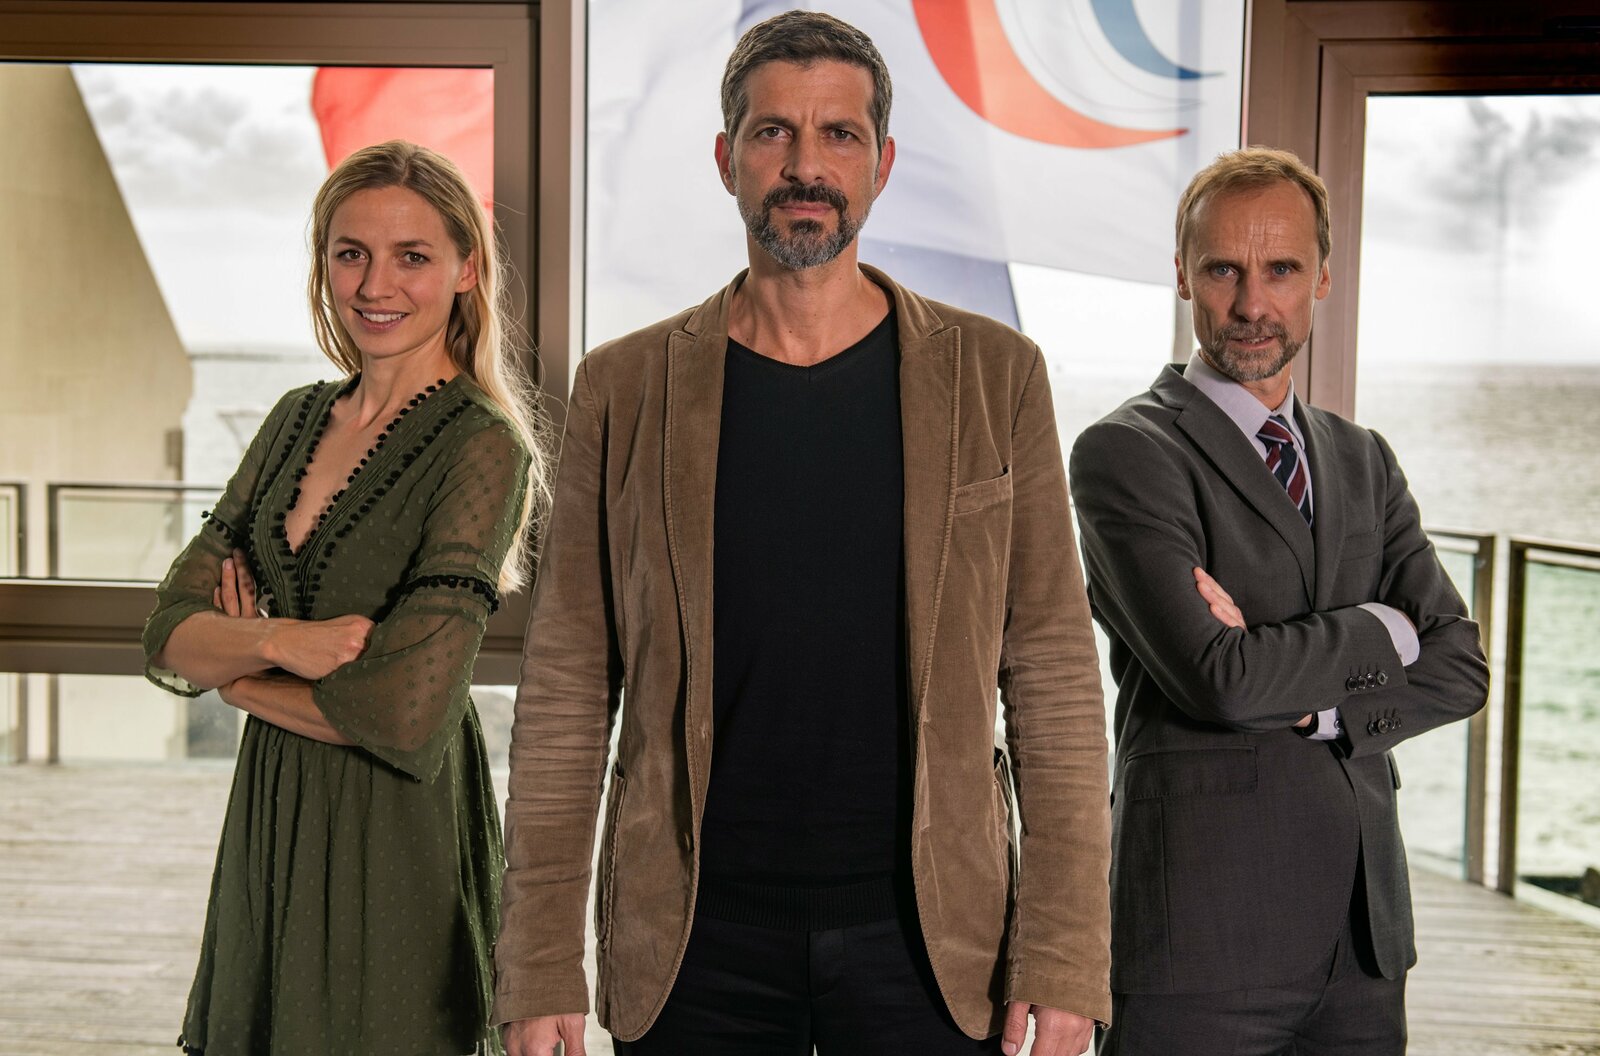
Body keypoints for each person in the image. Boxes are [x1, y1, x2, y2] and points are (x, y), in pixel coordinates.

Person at [494, 11, 1110, 1056]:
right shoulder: (624, 386)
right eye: (774, 133)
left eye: (839, 135)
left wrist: (1062, 954)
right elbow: (564, 691)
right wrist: (541, 957)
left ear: (883, 164)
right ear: (726, 159)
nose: (806, 166)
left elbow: (1051, 676)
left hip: (932, 946)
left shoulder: (995, 377)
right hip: (691, 946)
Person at [1068, 147, 1490, 1056]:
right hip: (1202, 942)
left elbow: (1461, 664)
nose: (1252, 303)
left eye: (1282, 270)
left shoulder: (1362, 458)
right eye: (1224, 269)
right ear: (1183, 273)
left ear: (1323, 277)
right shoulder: (1127, 454)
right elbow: (1220, 679)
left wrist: (1320, 707)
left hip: (1363, 945)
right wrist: (1381, 628)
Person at [143, 139, 550, 1055]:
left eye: (412, 256)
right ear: (323, 263)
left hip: (395, 830)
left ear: (466, 269)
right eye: (351, 253)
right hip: (271, 811)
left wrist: (237, 678)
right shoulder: (293, 418)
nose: (376, 284)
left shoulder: (484, 447)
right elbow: (169, 632)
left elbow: (407, 713)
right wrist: (282, 643)